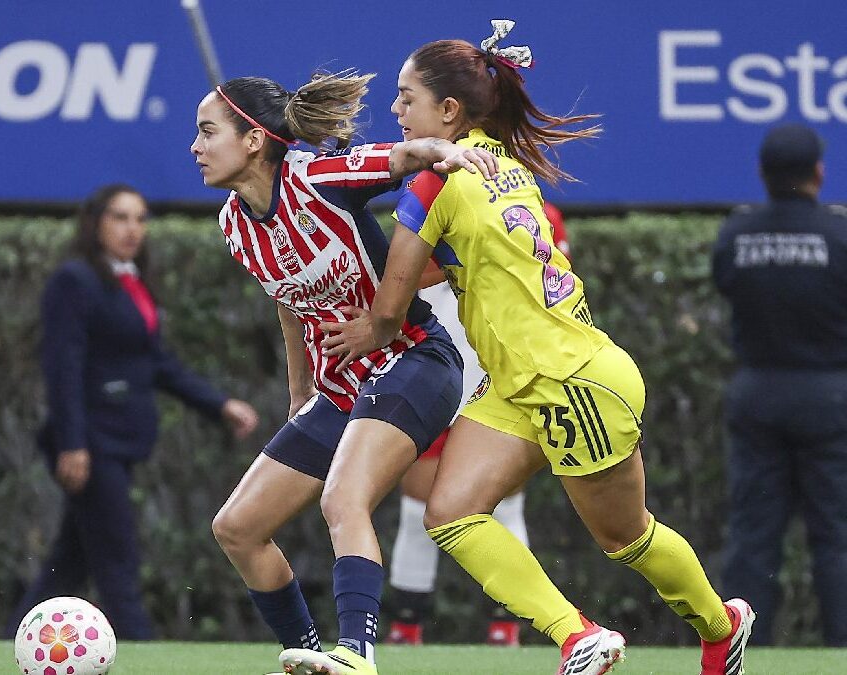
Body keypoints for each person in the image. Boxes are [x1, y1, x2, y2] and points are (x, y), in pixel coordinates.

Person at [318, 22, 754, 675]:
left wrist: (360, 320)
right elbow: (449, 264)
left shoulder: (435, 184)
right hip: (528, 382)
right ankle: (578, 635)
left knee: (625, 537)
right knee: (451, 511)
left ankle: (722, 627)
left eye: (406, 98)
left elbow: (391, 302)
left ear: (448, 111)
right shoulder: (498, 159)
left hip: (571, 382)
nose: (395, 111)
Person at [190, 71, 500, 675]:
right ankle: (309, 655)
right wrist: (300, 389)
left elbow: (405, 156)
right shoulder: (234, 222)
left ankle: (357, 655)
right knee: (238, 528)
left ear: (254, 140)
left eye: (207, 132)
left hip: (417, 361)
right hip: (341, 391)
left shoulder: (316, 177)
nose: (195, 147)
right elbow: (287, 297)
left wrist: (447, 152)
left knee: (342, 499)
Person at [8, 184, 260, 640]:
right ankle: (143, 650)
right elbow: (63, 368)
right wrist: (72, 445)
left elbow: (156, 363)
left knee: (70, 560)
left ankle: (13, 642)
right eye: (120, 218)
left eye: (140, 219)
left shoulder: (130, 279)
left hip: (121, 442)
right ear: (96, 223)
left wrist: (219, 405)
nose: (132, 229)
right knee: (117, 558)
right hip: (93, 444)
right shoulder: (75, 280)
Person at [385, 203, 569, 648]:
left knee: (505, 507)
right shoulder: (426, 199)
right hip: (433, 365)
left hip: (501, 372)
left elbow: (553, 295)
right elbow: (403, 283)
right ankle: (406, 630)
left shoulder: (541, 211)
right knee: (417, 508)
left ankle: (507, 629)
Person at [713, 123, 847, 647]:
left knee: (752, 536)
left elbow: (727, 285)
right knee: (836, 534)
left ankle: (743, 650)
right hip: (830, 396)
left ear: (762, 174)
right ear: (819, 172)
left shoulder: (737, 235)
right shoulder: (839, 235)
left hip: (758, 394)